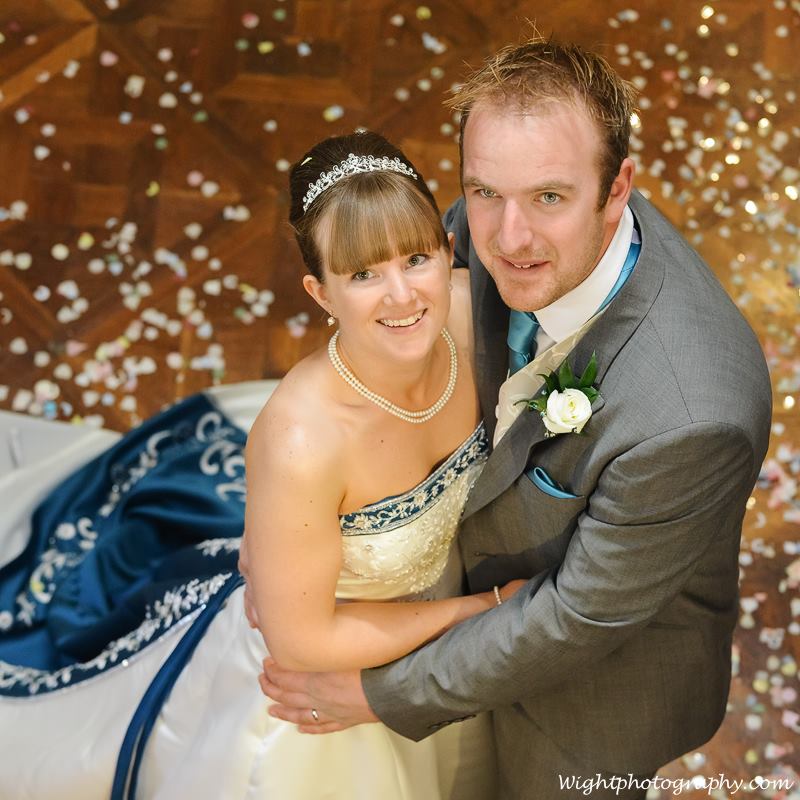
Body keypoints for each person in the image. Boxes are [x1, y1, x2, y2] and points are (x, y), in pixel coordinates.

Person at [258, 38, 773, 799]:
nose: (506, 239)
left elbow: (575, 619)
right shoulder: (485, 232)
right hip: (448, 615)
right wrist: (290, 534)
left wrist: (377, 695)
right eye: (483, 193)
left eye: (550, 198)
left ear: (617, 186)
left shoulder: (691, 414)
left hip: (587, 698)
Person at [0, 130, 517, 800]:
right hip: (323, 683)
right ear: (320, 292)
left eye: (415, 258)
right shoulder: (300, 442)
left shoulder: (477, 313)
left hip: (440, 626)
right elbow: (302, 644)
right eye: (362, 274)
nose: (403, 297)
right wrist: (476, 613)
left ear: (449, 251)